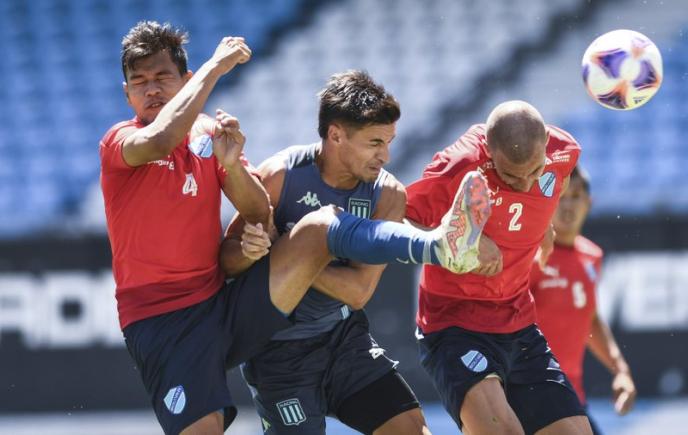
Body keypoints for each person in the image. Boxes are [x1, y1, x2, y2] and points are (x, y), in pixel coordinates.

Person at [100, 21, 492, 435]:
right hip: (171, 321)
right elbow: (164, 143)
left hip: (236, 307)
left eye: (162, 78)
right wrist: (216, 67)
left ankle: (441, 245)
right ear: (126, 94)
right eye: (139, 82)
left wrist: (233, 169)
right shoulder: (120, 141)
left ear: (185, 79)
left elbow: (257, 211)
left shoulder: (211, 138)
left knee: (321, 226)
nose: (151, 90)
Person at [220, 70, 431, 434]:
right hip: (277, 355)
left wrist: (291, 254)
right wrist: (249, 251)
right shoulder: (280, 175)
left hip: (344, 341)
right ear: (336, 135)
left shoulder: (388, 195)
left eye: (389, 141)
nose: (386, 155)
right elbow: (226, 260)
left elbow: (358, 291)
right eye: (374, 142)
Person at [406, 100, 593, 435]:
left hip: (518, 322)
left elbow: (554, 186)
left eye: (534, 172)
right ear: (488, 153)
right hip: (454, 323)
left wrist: (544, 225)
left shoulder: (565, 151)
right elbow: (399, 217)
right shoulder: (458, 166)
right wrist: (468, 239)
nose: (523, 185)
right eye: (510, 175)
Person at [530, 166, 636, 435]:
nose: (567, 204)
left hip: (572, 398)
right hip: (528, 398)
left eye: (576, 195)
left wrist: (620, 370)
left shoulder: (592, 256)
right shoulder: (530, 257)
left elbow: (589, 317)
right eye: (560, 196)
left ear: (588, 203)